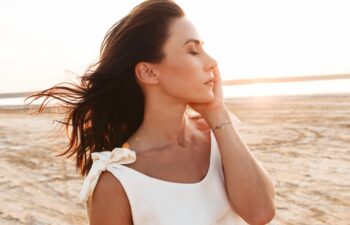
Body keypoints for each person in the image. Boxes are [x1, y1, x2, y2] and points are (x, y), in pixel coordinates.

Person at [26, 0, 275, 224]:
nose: (211, 62)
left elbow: (260, 213)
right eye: (193, 51)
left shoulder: (219, 136)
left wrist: (217, 113)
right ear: (149, 72)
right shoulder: (118, 182)